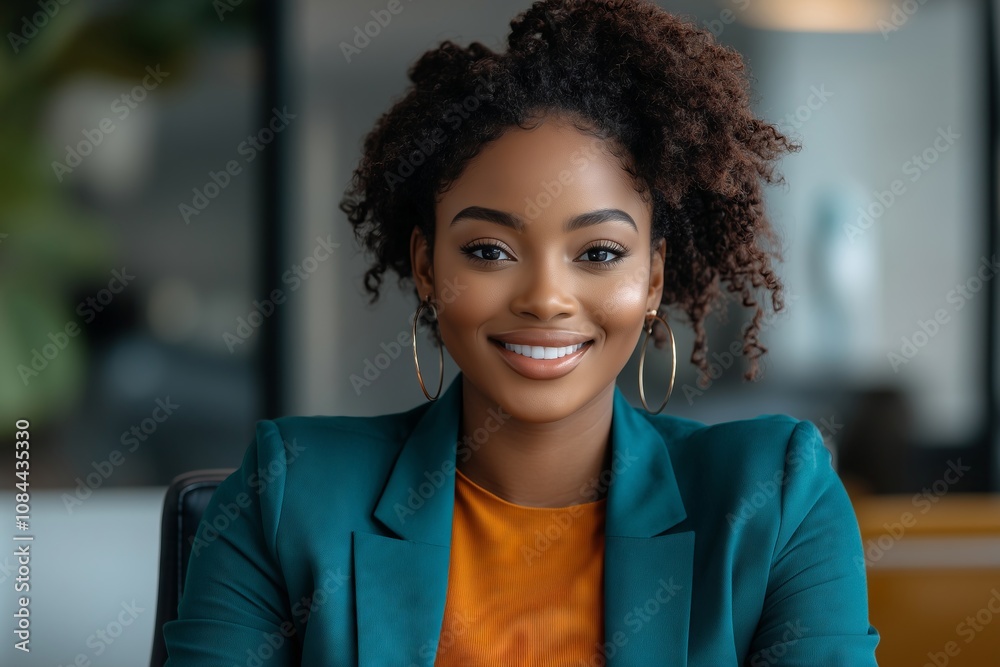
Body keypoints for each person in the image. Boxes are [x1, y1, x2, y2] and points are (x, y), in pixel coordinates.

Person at [163, 0, 880, 664]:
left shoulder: (775, 499)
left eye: (599, 253)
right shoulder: (288, 495)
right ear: (424, 265)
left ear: (653, 278)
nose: (545, 298)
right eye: (488, 251)